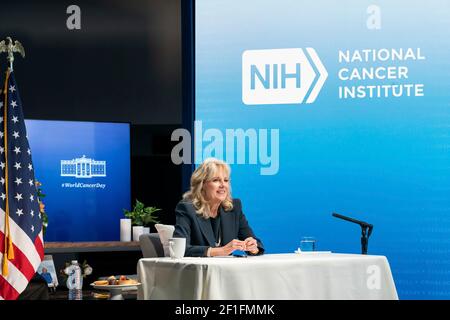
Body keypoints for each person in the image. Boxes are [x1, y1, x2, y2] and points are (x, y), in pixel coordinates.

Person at [173, 158, 264, 257]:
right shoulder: (187, 209)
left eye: (226, 180)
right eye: (216, 180)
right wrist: (221, 251)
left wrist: (252, 247)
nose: (222, 185)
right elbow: (180, 249)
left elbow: (255, 242)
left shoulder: (234, 208)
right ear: (202, 184)